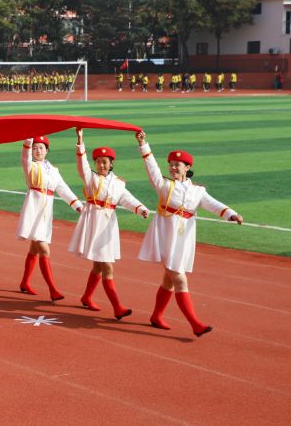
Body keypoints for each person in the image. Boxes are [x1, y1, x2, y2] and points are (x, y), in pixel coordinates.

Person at [135, 131, 243, 337]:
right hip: (165, 236)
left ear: (188, 168)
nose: (173, 168)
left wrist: (231, 213)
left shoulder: (198, 191)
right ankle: (195, 324)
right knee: (180, 280)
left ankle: (156, 316)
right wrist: (143, 144)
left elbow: (212, 204)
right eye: (171, 164)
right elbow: (152, 168)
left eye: (178, 165)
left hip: (184, 238)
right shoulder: (164, 185)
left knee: (168, 279)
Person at [69, 129, 149, 319]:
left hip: (108, 225)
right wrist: (80, 142)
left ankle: (87, 297)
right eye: (98, 162)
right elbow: (82, 166)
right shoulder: (91, 178)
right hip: (94, 222)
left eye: (105, 162)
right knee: (107, 265)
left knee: (99, 264)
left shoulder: (119, 183)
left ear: (112, 164)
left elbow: (126, 199)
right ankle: (117, 307)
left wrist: (140, 208)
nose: (101, 165)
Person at [16, 136, 83, 300]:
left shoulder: (54, 170)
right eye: (35, 148)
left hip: (46, 214)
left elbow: (62, 188)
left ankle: (25, 282)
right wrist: (28, 140)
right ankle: (53, 289)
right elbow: (24, 156)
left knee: (34, 248)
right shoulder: (30, 166)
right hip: (34, 210)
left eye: (41, 148)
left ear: (47, 150)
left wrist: (76, 204)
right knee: (44, 249)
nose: (38, 150)